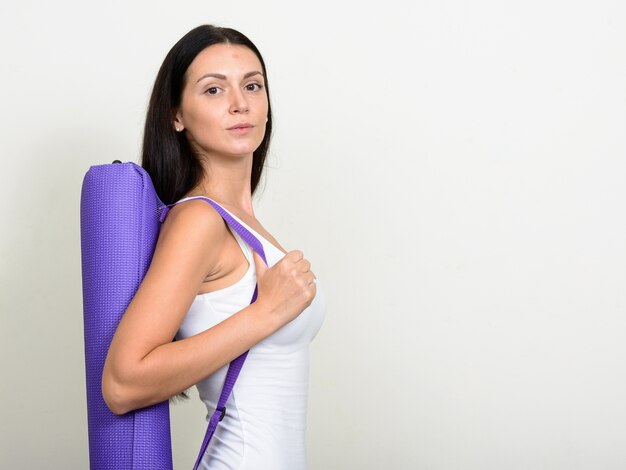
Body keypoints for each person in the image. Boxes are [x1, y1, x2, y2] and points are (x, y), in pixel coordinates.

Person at [101, 25, 326, 469]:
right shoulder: (199, 220)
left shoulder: (245, 226)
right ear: (176, 116)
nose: (239, 103)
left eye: (252, 85)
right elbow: (123, 383)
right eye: (213, 89)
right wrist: (266, 312)